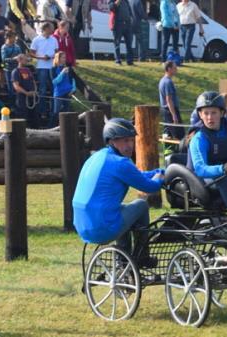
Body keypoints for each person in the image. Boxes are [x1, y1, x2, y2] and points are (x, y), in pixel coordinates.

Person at [73, 118, 164, 267]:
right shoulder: (121, 163)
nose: (129, 146)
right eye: (124, 141)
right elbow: (150, 187)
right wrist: (161, 178)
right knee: (141, 205)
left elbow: (137, 175)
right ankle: (142, 256)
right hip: (102, 228)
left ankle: (124, 260)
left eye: (131, 141)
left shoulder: (97, 156)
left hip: (83, 226)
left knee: (123, 210)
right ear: (111, 141)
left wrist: (157, 172)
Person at [30, 22, 59, 120]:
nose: (53, 29)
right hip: (41, 67)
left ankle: (54, 110)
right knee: (42, 90)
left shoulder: (54, 39)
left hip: (52, 67)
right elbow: (32, 53)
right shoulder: (36, 39)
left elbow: (56, 53)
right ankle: (42, 112)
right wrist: (42, 57)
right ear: (46, 28)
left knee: (53, 89)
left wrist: (52, 57)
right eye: (51, 28)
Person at [159, 60, 183, 155]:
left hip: (167, 111)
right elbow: (169, 100)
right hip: (170, 111)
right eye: (174, 68)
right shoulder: (167, 82)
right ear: (169, 69)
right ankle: (178, 155)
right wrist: (174, 115)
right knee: (178, 135)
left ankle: (168, 153)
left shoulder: (163, 81)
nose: (176, 69)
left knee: (168, 133)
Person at [11, 53, 40, 129]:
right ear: (20, 60)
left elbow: (33, 81)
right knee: (23, 117)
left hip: (32, 97)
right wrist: (26, 93)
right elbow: (16, 86)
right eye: (25, 59)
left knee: (35, 117)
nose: (27, 60)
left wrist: (35, 90)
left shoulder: (28, 70)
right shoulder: (15, 71)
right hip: (22, 98)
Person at [49, 51, 76, 128]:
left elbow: (73, 80)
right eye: (63, 57)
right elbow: (55, 82)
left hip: (68, 92)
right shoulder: (53, 69)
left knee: (67, 112)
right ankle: (51, 127)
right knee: (56, 112)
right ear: (58, 58)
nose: (65, 59)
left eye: (65, 57)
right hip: (58, 93)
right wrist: (62, 73)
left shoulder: (69, 68)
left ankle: (66, 127)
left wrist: (73, 90)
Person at [108, 0, 134, 66]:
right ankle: (118, 61)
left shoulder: (126, 1)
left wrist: (131, 18)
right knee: (117, 43)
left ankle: (130, 61)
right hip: (118, 24)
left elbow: (129, 10)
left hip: (127, 24)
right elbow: (111, 8)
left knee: (129, 44)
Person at [1, 31, 22, 102]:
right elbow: (4, 59)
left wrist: (25, 58)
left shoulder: (17, 46)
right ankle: (12, 103)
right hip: (8, 70)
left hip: (17, 70)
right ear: (8, 38)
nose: (14, 39)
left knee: (18, 86)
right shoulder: (4, 47)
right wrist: (14, 58)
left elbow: (20, 55)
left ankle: (19, 102)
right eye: (13, 37)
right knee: (11, 88)